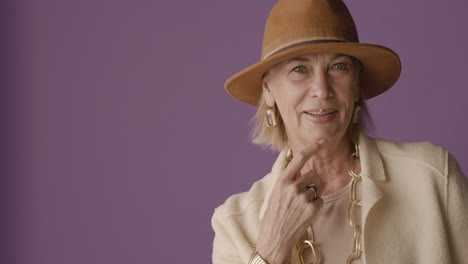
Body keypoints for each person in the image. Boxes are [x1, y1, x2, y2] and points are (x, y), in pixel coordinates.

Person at [211, 0, 468, 263]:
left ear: (356, 83)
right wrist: (273, 245)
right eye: (300, 69)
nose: (322, 90)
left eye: (338, 66)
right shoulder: (235, 224)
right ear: (268, 90)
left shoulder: (433, 177)